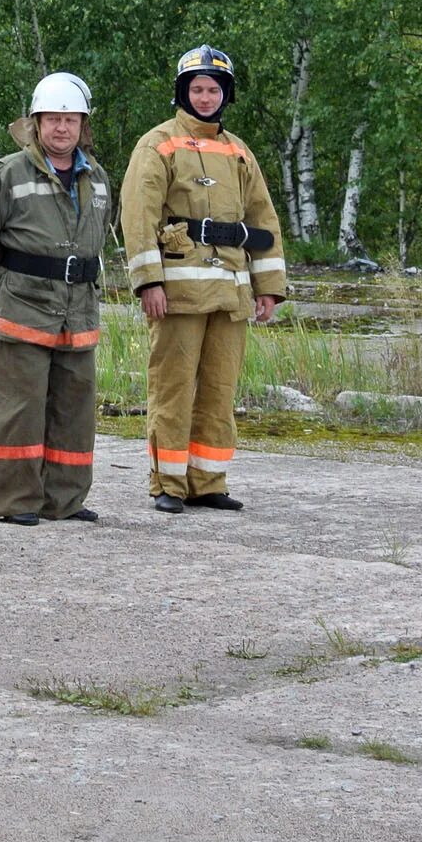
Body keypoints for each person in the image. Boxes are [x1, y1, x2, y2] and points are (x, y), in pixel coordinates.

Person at [121, 46, 285, 514]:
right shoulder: (158, 144)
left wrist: (269, 287)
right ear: (183, 92)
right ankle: (167, 483)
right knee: (173, 387)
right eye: (197, 89)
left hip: (231, 292)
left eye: (214, 89)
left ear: (225, 94)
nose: (206, 97)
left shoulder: (238, 152)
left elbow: (263, 218)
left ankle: (208, 480)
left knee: (219, 389)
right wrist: (148, 282)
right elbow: (138, 217)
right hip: (177, 294)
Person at [0, 72, 110, 525]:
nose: (62, 128)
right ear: (36, 123)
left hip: (78, 310)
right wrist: (3, 268)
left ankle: (64, 500)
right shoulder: (10, 172)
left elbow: (99, 233)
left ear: (83, 125)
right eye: (52, 119)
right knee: (18, 411)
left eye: (70, 119)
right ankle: (13, 502)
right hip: (25, 306)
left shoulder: (97, 177)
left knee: (73, 411)